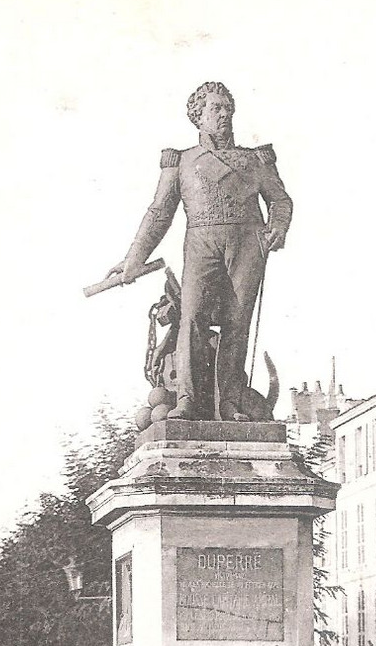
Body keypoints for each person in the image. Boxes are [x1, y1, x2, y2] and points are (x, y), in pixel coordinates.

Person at [106, 82, 293, 421]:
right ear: (198, 117)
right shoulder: (180, 162)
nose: (224, 115)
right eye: (215, 109)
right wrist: (134, 258)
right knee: (192, 318)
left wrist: (278, 226)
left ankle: (230, 403)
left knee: (238, 324)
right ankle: (187, 401)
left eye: (227, 108)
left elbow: (280, 200)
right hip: (201, 243)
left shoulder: (255, 160)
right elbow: (159, 213)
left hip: (247, 244)